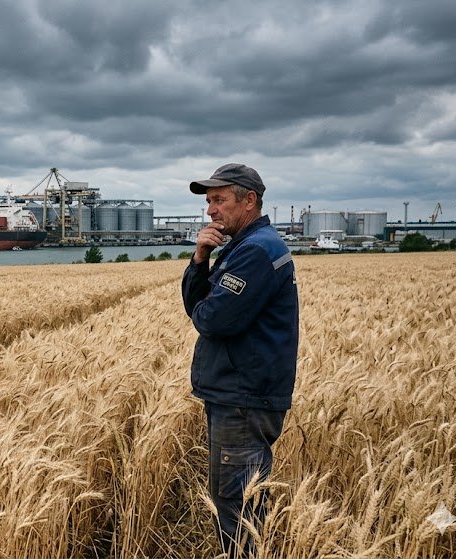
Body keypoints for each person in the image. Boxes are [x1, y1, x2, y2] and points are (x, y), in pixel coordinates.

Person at [181, 163, 299, 557]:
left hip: (243, 399)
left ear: (249, 200)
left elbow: (212, 319)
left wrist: (204, 308)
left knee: (237, 510)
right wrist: (200, 259)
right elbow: (202, 310)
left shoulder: (256, 252)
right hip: (239, 395)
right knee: (238, 504)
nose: (210, 211)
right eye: (208, 202)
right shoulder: (246, 246)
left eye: (219, 200)